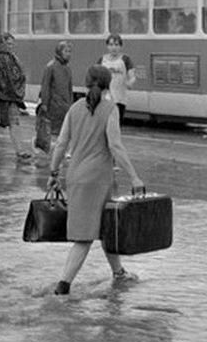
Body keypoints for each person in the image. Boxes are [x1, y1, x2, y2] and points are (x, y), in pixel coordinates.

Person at [46, 65, 144, 296]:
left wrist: (53, 173)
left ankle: (119, 273)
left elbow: (60, 144)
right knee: (84, 237)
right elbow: (115, 145)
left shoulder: (75, 108)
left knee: (106, 226)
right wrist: (134, 176)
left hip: (76, 176)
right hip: (98, 178)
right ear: (109, 84)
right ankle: (63, 285)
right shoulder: (110, 109)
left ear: (86, 82)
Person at [0, 31, 33, 160]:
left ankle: (19, 151)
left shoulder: (12, 57)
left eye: (12, 44)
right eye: (8, 44)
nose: (10, 46)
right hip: (1, 96)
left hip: (11, 96)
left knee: (14, 122)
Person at [38, 40, 73, 152]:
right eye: (66, 51)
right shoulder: (51, 67)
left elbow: (69, 88)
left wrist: (70, 103)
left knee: (64, 129)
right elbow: (45, 86)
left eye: (69, 51)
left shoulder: (67, 68)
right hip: (54, 104)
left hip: (65, 104)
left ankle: (61, 149)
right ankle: (53, 150)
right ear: (59, 52)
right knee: (53, 129)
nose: (68, 53)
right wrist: (44, 103)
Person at [96, 33, 136, 123]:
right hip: (105, 98)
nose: (114, 47)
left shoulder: (125, 59)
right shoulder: (102, 60)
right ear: (107, 46)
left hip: (120, 99)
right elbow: (96, 76)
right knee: (105, 124)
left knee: (116, 124)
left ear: (120, 46)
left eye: (116, 45)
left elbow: (132, 76)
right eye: (111, 45)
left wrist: (130, 82)